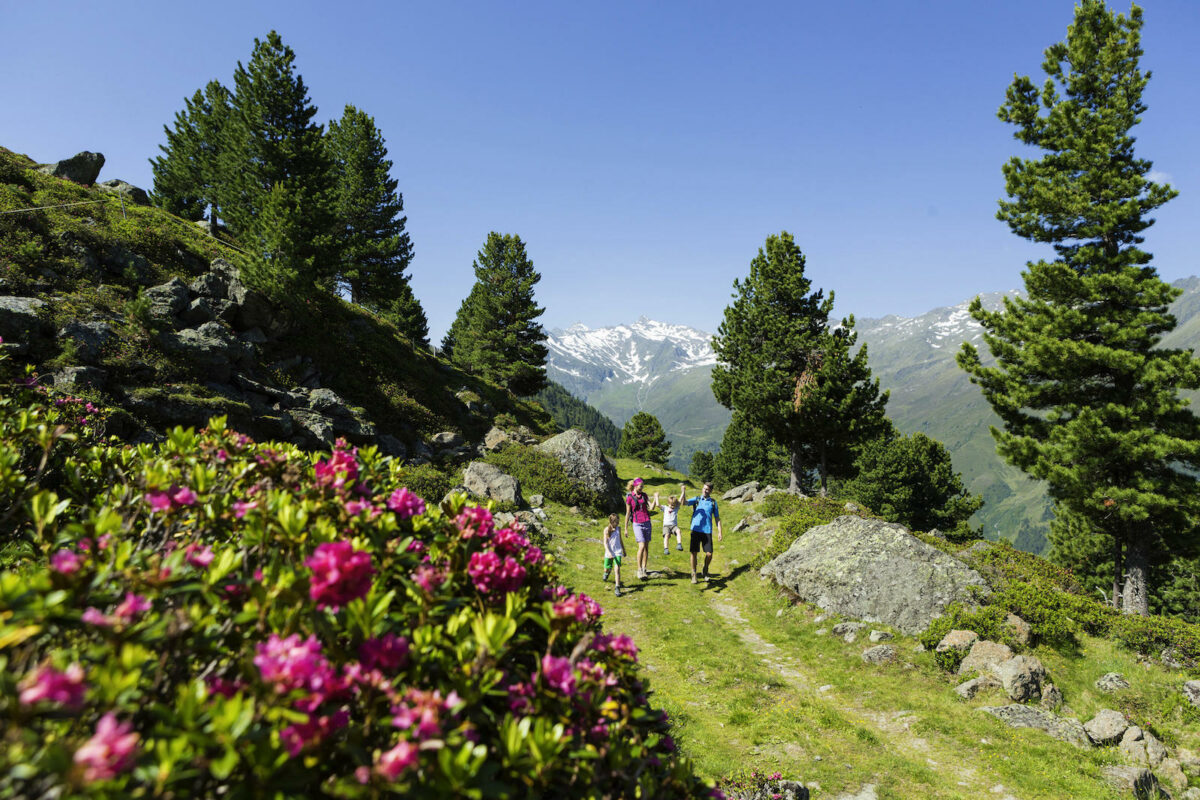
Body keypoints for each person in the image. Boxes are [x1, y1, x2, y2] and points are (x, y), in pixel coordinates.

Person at [680, 481, 722, 584]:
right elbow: (684, 503)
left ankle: (705, 569)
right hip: (695, 529)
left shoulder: (713, 502)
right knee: (694, 552)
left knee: (709, 554)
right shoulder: (697, 499)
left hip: (707, 531)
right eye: (703, 488)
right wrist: (683, 491)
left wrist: (720, 532)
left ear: (711, 491)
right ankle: (694, 574)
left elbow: (717, 518)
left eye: (707, 489)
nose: (704, 491)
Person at [624, 478, 659, 580]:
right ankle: (639, 570)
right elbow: (628, 513)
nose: (642, 488)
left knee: (646, 547)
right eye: (641, 486)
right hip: (637, 523)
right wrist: (626, 528)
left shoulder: (644, 495)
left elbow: (651, 507)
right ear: (635, 486)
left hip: (647, 522)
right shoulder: (630, 497)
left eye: (643, 486)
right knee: (642, 546)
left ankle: (644, 568)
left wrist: (656, 498)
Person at [602, 513, 625, 597]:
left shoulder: (619, 529)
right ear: (612, 522)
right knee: (606, 569)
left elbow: (620, 540)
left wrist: (624, 550)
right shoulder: (606, 530)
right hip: (609, 552)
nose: (618, 523)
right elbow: (605, 543)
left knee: (617, 569)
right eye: (616, 522)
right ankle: (607, 573)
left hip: (617, 551)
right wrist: (608, 552)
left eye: (618, 521)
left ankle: (617, 587)